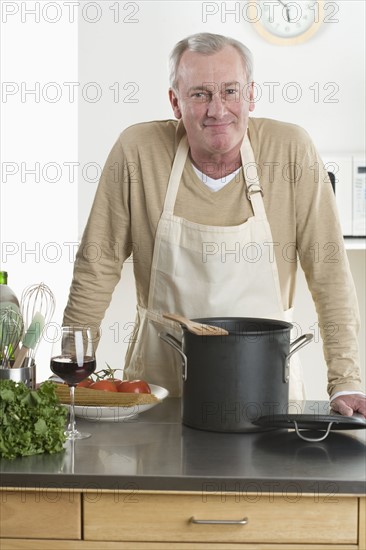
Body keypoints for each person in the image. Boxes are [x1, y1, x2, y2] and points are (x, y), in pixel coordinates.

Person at [63, 32, 365, 417]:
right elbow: (96, 265)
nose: (218, 110)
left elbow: (330, 274)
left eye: (230, 91)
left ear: (251, 95)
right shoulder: (137, 151)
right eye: (200, 94)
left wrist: (347, 381)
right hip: (159, 389)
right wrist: (70, 369)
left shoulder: (291, 150)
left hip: (266, 388)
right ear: (175, 101)